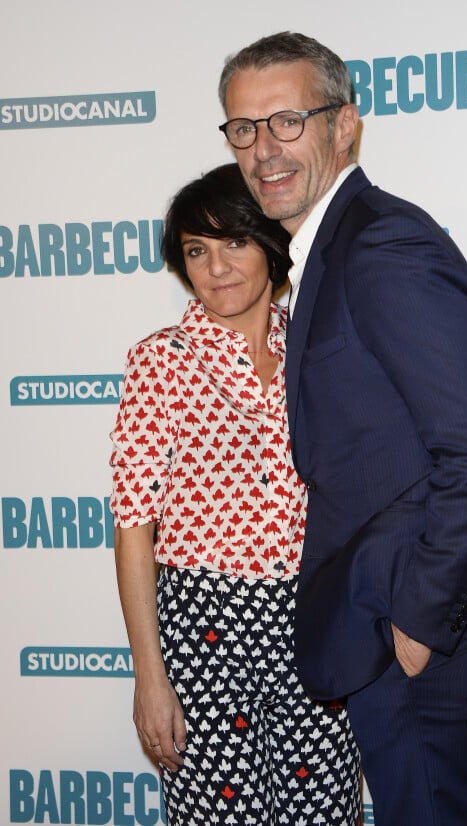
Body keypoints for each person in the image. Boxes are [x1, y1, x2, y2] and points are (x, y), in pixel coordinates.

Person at [217, 32, 467, 826]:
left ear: (345, 125)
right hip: (388, 620)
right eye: (243, 129)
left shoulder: (379, 242)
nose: (264, 150)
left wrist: (419, 623)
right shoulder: (329, 247)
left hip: (424, 631)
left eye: (288, 120)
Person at [110, 162, 361, 826]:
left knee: (323, 810)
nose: (215, 266)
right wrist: (150, 674)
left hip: (311, 616)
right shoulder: (160, 360)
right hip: (202, 625)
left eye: (234, 242)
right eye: (197, 249)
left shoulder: (316, 353)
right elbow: (133, 525)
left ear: (270, 246)